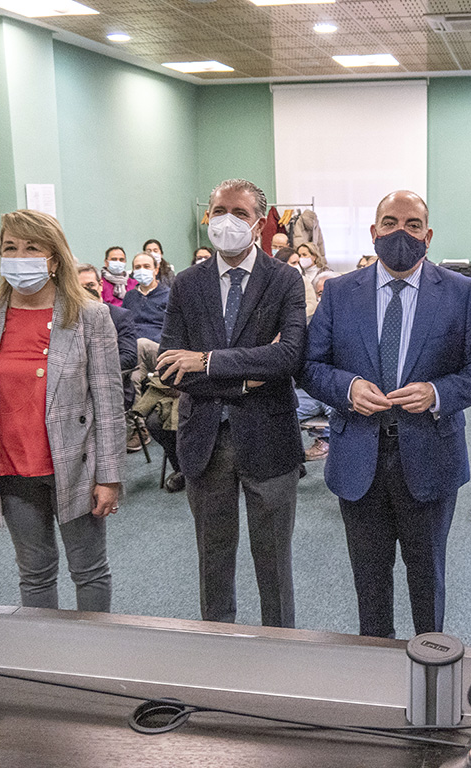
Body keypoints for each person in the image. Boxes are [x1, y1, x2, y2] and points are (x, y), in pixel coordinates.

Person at [301, 190, 471, 639]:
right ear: (374, 232)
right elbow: (310, 366)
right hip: (358, 457)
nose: (400, 233)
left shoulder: (459, 292)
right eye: (390, 223)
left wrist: (437, 392)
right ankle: (376, 665)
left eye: (413, 225)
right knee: (369, 581)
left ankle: (431, 667)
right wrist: (347, 388)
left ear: (427, 236)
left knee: (427, 578)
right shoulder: (340, 293)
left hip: (430, 456)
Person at [157, 178, 306, 628]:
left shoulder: (285, 279)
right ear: (208, 217)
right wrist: (246, 380)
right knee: (213, 558)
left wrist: (207, 362)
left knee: (274, 561)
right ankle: (218, 643)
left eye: (240, 213)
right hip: (205, 440)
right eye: (220, 211)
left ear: (259, 223)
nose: (228, 221)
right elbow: (169, 367)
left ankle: (279, 645)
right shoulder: (187, 284)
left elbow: (288, 356)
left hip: (270, 437)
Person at [0, 209, 125, 612]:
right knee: (34, 573)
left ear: (54, 258)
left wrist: (109, 476)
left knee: (89, 570)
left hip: (74, 465)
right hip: (10, 469)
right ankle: (43, 649)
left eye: (31, 248)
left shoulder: (90, 315)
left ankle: (93, 648)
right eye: (10, 248)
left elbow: (109, 403)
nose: (19, 257)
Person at [76, 264, 139, 406]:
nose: (86, 291)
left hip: (112, 386)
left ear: (100, 285)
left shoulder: (120, 316)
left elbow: (129, 357)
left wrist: (92, 366)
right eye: (80, 288)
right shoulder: (70, 318)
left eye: (90, 285)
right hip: (78, 390)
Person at [122, 252, 170, 344]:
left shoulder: (168, 295)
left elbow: (172, 328)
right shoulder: (129, 296)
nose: (142, 270)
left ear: (156, 270)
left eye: (146, 266)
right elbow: (124, 324)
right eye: (137, 267)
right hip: (132, 343)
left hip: (159, 344)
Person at [276, 245, 319, 321]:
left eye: (298, 262)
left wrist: (294, 316)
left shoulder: (304, 281)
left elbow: (311, 305)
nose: (298, 266)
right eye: (294, 263)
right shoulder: (272, 281)